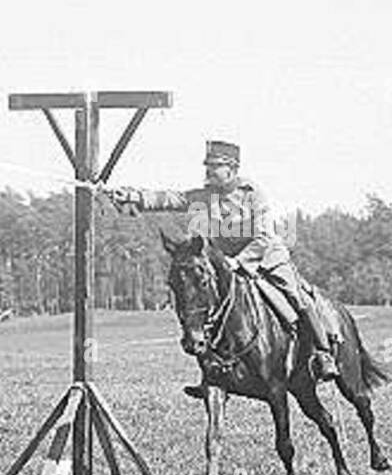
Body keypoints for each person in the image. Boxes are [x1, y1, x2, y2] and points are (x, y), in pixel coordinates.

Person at [107, 140, 339, 395]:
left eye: (215, 166)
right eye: (207, 166)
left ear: (232, 168)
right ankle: (211, 375)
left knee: (297, 296)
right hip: (226, 263)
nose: (208, 171)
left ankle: (323, 353)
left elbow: (262, 237)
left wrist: (238, 262)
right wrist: (132, 196)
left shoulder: (252, 193)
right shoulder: (205, 196)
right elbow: (171, 198)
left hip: (266, 258)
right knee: (208, 307)